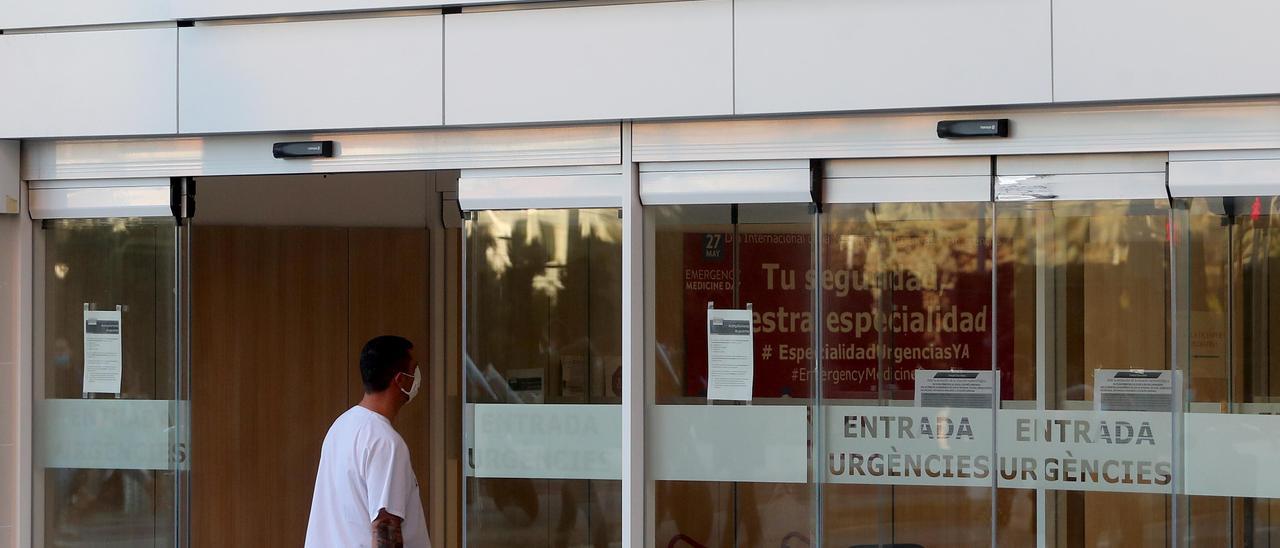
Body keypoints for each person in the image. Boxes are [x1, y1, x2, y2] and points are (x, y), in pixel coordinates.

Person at [305, 335, 430, 548]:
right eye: (414, 368)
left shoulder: (341, 427)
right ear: (400, 379)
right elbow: (386, 526)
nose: (418, 376)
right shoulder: (386, 443)